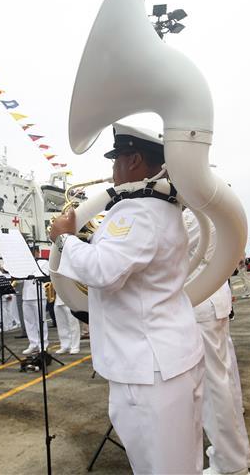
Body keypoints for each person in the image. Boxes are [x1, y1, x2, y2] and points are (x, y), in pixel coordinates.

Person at [49, 123, 205, 474]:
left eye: (117, 159)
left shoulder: (138, 211)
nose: (112, 169)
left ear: (134, 160)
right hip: (166, 359)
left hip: (146, 370)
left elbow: (103, 269)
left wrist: (64, 239)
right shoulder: (161, 207)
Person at [184, 210, 250, 475]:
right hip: (213, 301)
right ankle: (239, 455)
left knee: (214, 391)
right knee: (226, 384)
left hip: (201, 303)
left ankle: (229, 464)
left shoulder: (193, 214)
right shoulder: (209, 208)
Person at [20, 245, 49, 356]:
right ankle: (33, 343)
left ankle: (44, 345)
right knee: (29, 321)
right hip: (26, 295)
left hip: (39, 295)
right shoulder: (24, 264)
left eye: (32, 252)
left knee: (41, 321)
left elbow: (44, 275)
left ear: (37, 252)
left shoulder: (43, 262)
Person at [52, 285, 81, 354]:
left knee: (73, 324)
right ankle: (65, 345)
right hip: (58, 298)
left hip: (69, 297)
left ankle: (75, 346)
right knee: (61, 325)